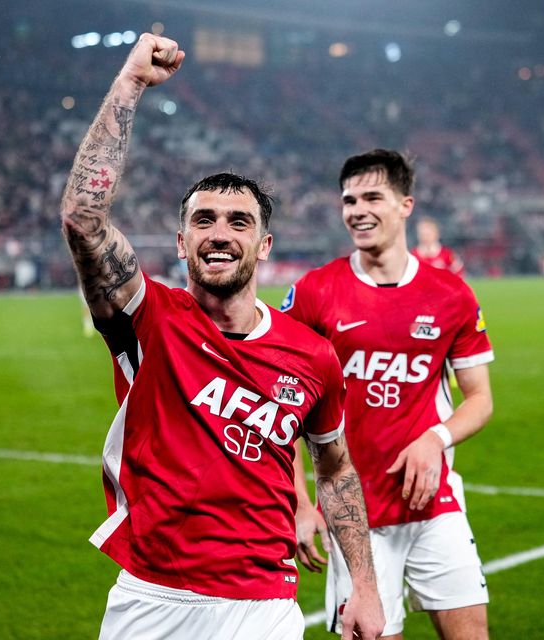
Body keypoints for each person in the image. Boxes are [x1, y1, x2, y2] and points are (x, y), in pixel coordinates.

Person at [60, 34, 384, 640]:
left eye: (239, 221)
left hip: (261, 605)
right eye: (202, 219)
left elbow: (335, 470)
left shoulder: (311, 356)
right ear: (181, 241)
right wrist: (129, 83)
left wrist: (364, 588)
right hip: (151, 597)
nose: (219, 232)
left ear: (263, 246)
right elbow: (83, 220)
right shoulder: (149, 318)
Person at [283, 150, 494, 639]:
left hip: (434, 504)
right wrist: (298, 501)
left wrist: (435, 439)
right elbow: (281, 408)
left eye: (373, 197)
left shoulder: (451, 294)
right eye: (349, 199)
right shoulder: (316, 292)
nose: (357, 209)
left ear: (406, 205)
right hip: (354, 518)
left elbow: (480, 398)